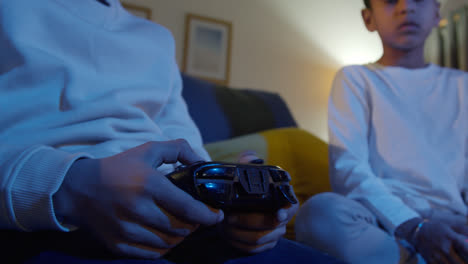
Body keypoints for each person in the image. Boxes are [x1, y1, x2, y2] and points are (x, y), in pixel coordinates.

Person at [0, 0, 342, 263]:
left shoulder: (155, 39)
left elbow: (189, 154)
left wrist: (229, 214)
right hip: (43, 222)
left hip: (179, 230)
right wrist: (69, 187)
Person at [295, 0, 468, 263]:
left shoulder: (461, 85)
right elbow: (348, 171)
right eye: (389, 1)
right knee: (319, 213)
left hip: (454, 219)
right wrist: (415, 228)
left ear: (436, 13)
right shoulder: (355, 79)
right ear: (368, 19)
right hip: (385, 222)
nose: (405, 8)